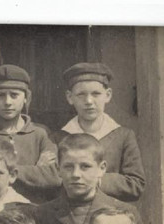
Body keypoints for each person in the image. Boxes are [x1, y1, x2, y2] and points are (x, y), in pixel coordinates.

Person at [33, 134, 158, 224]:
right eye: (68, 167)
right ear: (58, 169)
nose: (76, 174)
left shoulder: (124, 212)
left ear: (102, 168)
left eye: (85, 166)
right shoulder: (43, 213)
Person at [0, 64, 59, 204]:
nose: (7, 102)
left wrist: (4, 171)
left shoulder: (40, 134)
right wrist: (36, 170)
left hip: (35, 209)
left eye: (14, 95)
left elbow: (54, 177)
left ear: (26, 98)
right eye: (0, 95)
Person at [56, 62, 145, 203]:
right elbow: (53, 178)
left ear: (108, 95)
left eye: (96, 94)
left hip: (110, 214)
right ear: (69, 97)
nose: (89, 101)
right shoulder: (59, 137)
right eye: (81, 95)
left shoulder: (123, 136)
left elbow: (135, 185)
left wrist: (94, 179)